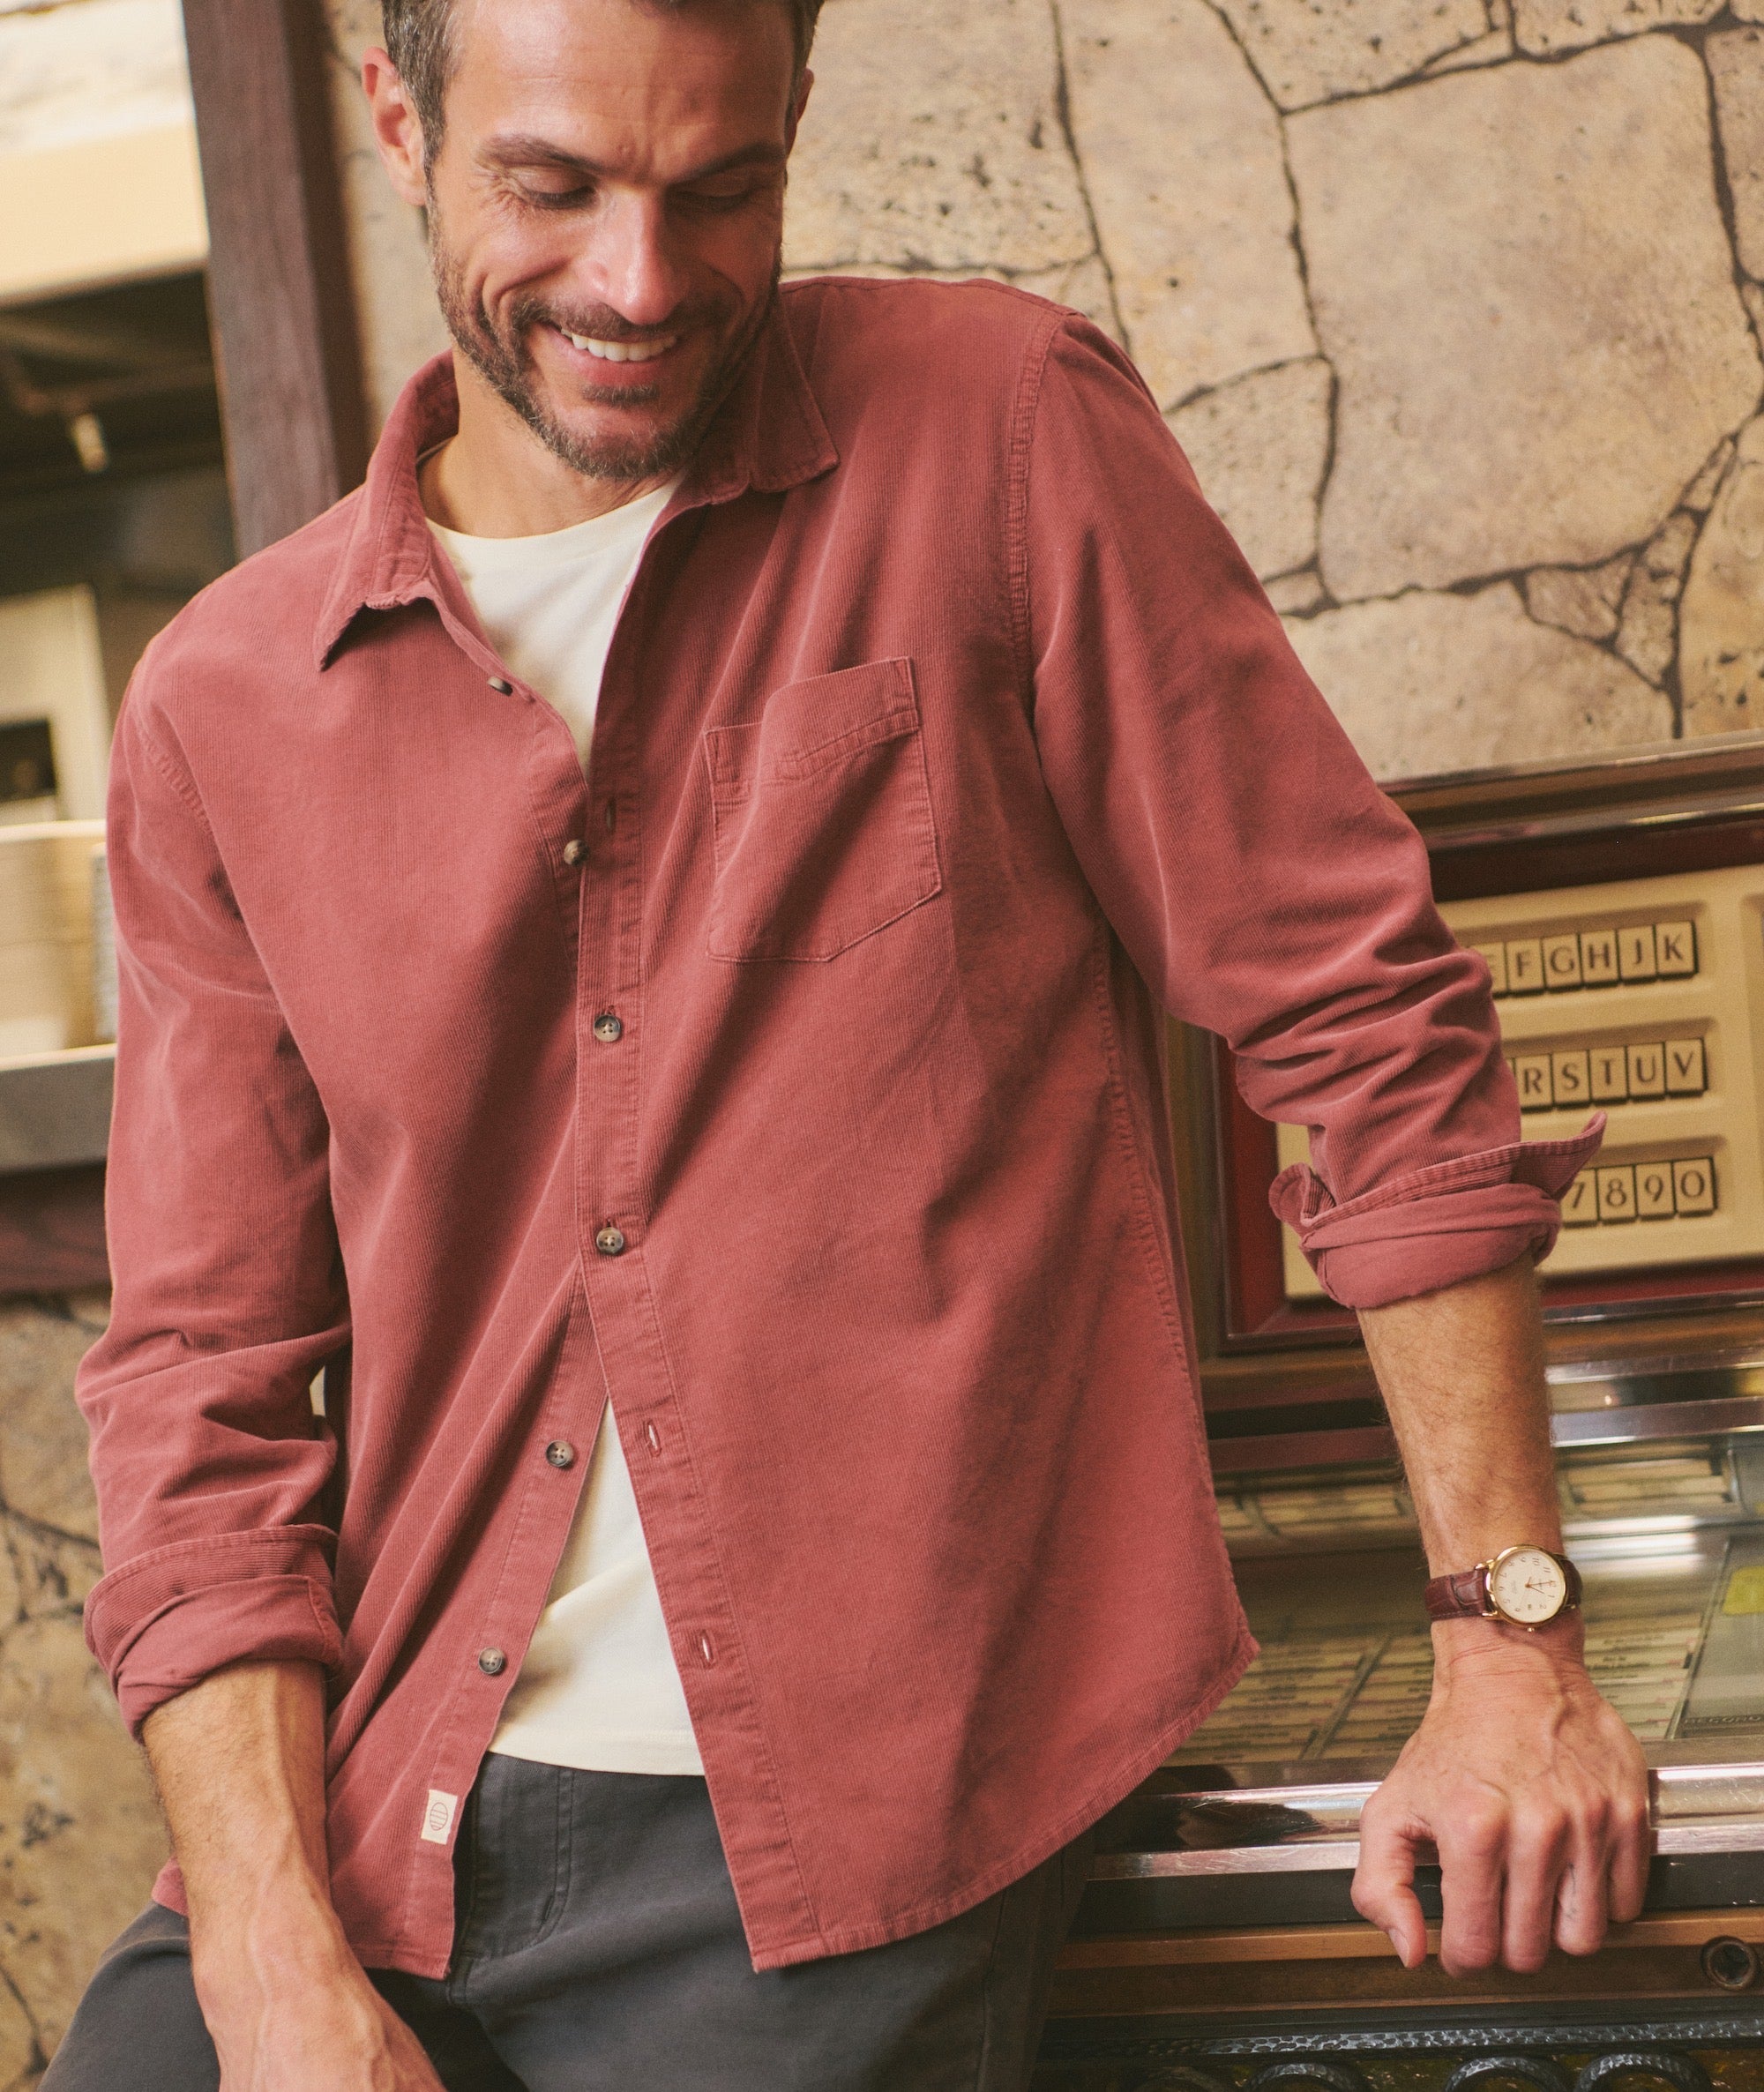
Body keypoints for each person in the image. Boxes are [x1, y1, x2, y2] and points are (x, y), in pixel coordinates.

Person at [46, 0, 1650, 2085]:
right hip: (363, 1823)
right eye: (554, 187)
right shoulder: (219, 704)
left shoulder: (999, 433)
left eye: (720, 187)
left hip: (831, 1845)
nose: (641, 282)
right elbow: (202, 1372)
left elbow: (1361, 1016)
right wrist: (270, 1958)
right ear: (398, 121)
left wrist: (1509, 1641)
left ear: (795, 119)